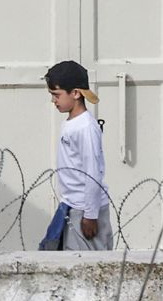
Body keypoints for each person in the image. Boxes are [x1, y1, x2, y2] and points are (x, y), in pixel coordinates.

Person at [45, 60, 113, 250]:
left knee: (88, 267)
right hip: (72, 206)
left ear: (75, 93)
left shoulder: (86, 127)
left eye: (56, 94)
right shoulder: (72, 123)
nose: (53, 100)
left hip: (85, 210)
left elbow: (93, 172)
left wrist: (90, 216)